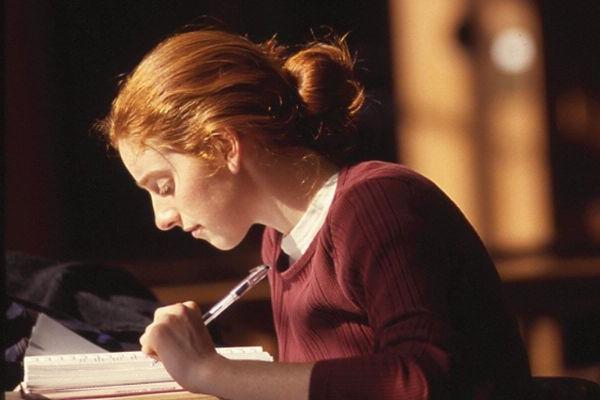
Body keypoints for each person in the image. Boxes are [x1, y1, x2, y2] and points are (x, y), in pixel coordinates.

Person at [98, 29, 531, 400]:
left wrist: (213, 373)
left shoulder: (376, 204)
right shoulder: (280, 241)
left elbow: (426, 380)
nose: (162, 217)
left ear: (224, 146)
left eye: (163, 185)